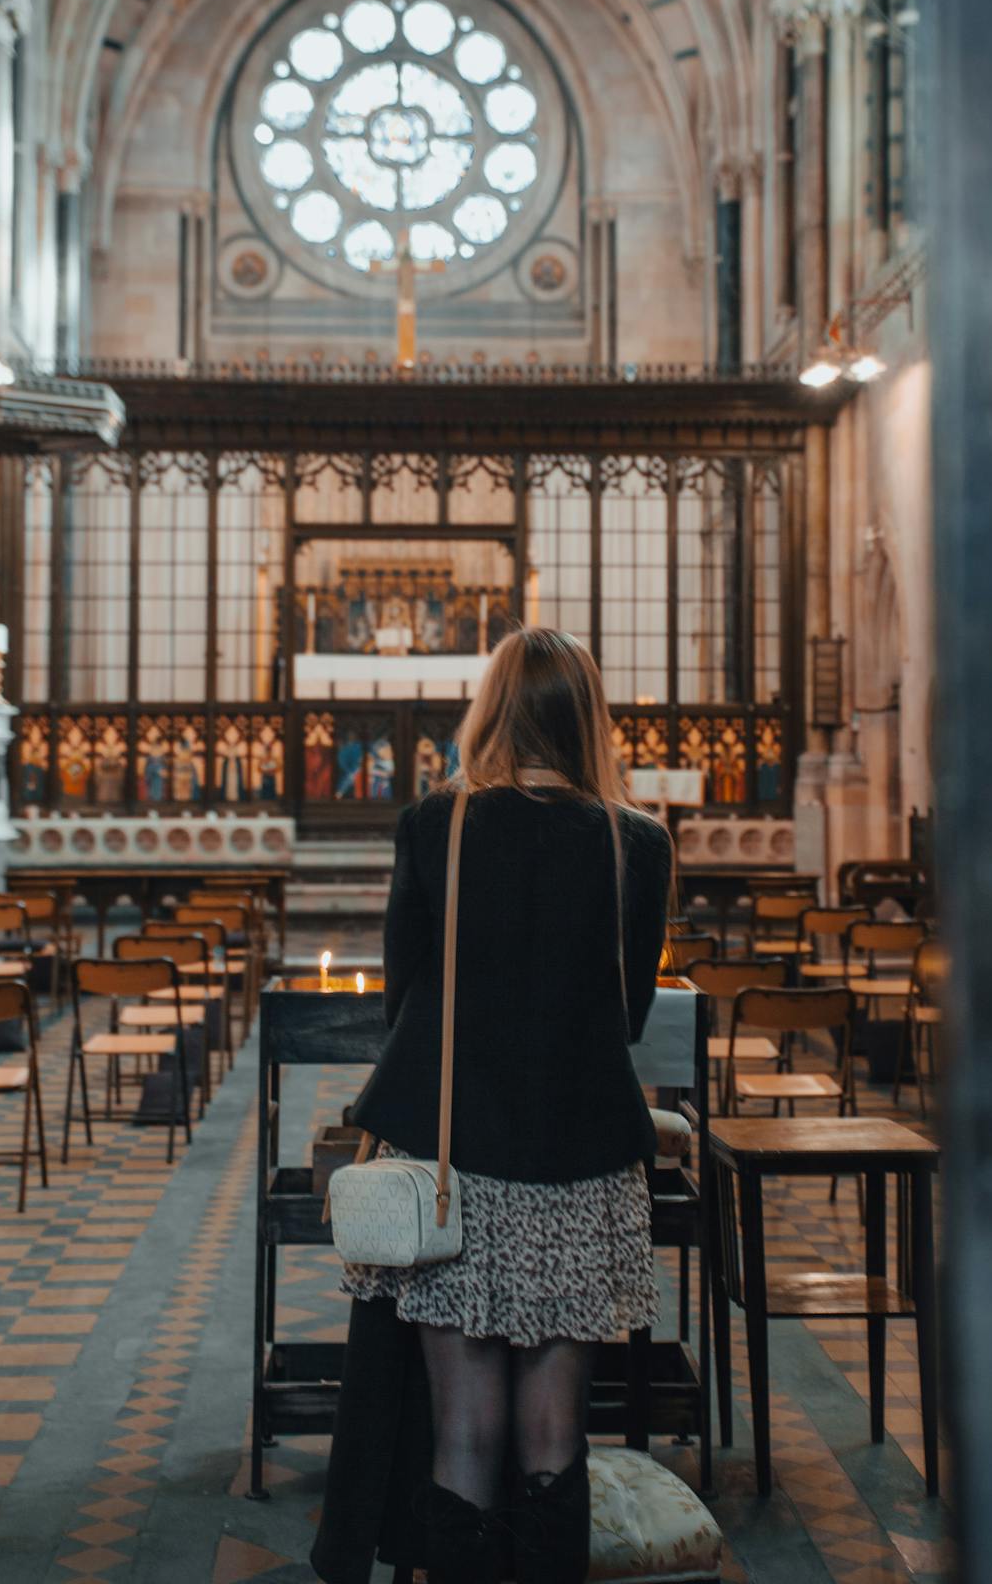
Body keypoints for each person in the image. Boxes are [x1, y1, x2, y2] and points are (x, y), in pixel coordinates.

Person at [328, 627, 672, 1583]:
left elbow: (404, 1001)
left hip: (454, 1164)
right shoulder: (633, 843)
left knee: (465, 1427)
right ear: (586, 720)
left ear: (493, 711)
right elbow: (628, 1012)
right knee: (556, 1432)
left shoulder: (433, 826)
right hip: (580, 1164)